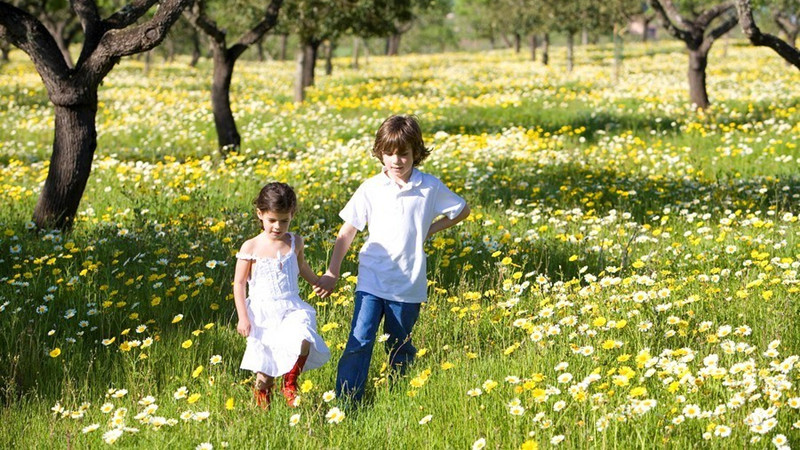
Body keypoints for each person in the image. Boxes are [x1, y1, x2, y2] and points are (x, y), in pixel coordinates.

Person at [314, 114, 470, 402]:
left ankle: (398, 396)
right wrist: (332, 272)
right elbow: (346, 232)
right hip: (371, 281)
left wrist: (429, 229)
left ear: (416, 153)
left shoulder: (429, 187)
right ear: (379, 153)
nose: (396, 161)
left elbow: (461, 209)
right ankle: (348, 401)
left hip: (408, 285)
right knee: (359, 341)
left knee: (400, 346)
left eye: (404, 154)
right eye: (389, 153)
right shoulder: (371, 188)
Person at [233, 182, 330, 408]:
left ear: (292, 215)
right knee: (264, 374)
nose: (278, 226)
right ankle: (263, 413)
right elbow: (238, 284)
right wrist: (243, 317)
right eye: (272, 220)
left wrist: (316, 281)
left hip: (290, 306)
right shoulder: (251, 247)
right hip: (262, 313)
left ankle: (290, 381)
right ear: (260, 214)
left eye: (284, 220)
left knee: (303, 336)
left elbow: (301, 265)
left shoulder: (294, 241)